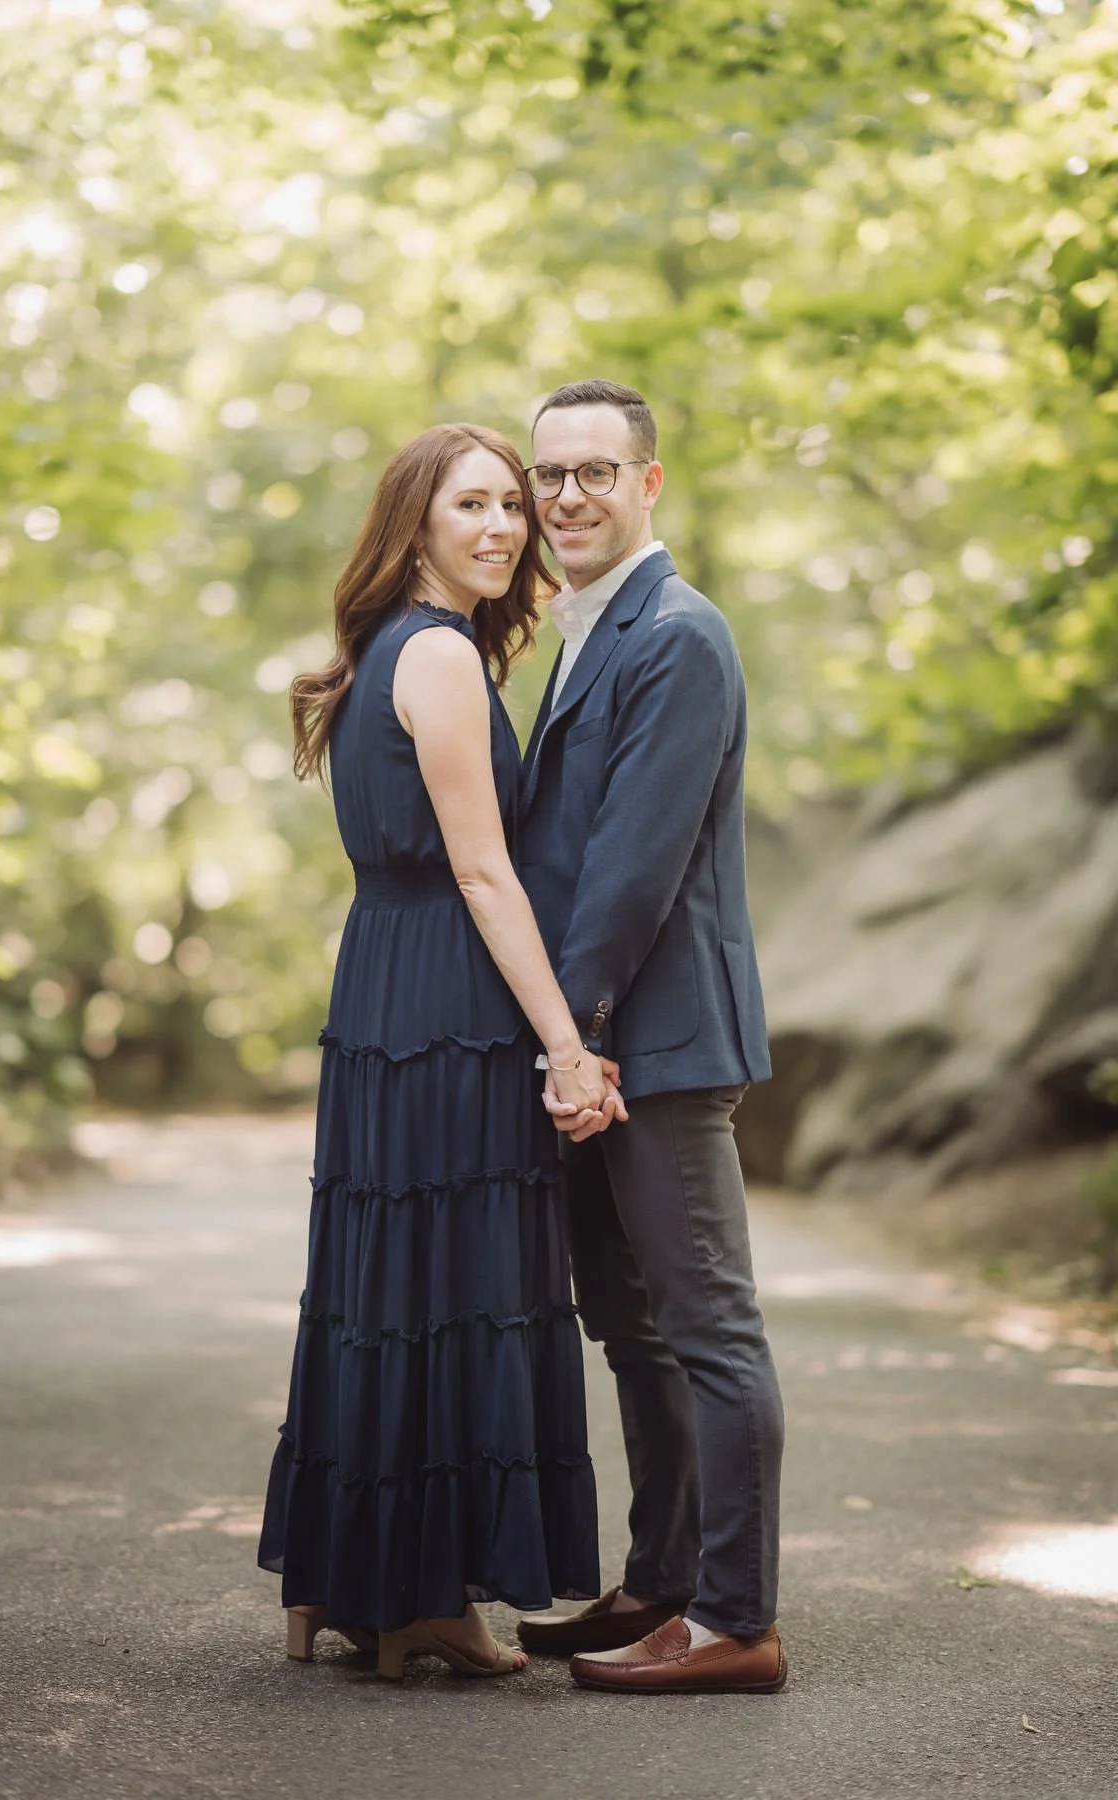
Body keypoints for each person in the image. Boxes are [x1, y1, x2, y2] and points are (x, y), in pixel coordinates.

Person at [257, 423, 617, 1682]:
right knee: (454, 1284)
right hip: (450, 1003)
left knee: (384, 1285)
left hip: (382, 984)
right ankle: (413, 1597)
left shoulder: (373, 656)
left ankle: (344, 1575)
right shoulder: (445, 658)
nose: (505, 526)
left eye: (513, 506)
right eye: (473, 504)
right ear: (414, 523)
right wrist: (568, 1048)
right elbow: (482, 869)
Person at [514, 379, 787, 1694]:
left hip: (653, 1047)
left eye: (595, 473)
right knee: (638, 1334)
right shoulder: (591, 626)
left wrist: (582, 1043)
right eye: (549, 473)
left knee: (709, 1330)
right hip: (615, 1038)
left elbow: (632, 870)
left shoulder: (676, 633)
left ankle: (736, 1622)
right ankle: (661, 1584)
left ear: (648, 485)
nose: (568, 495)